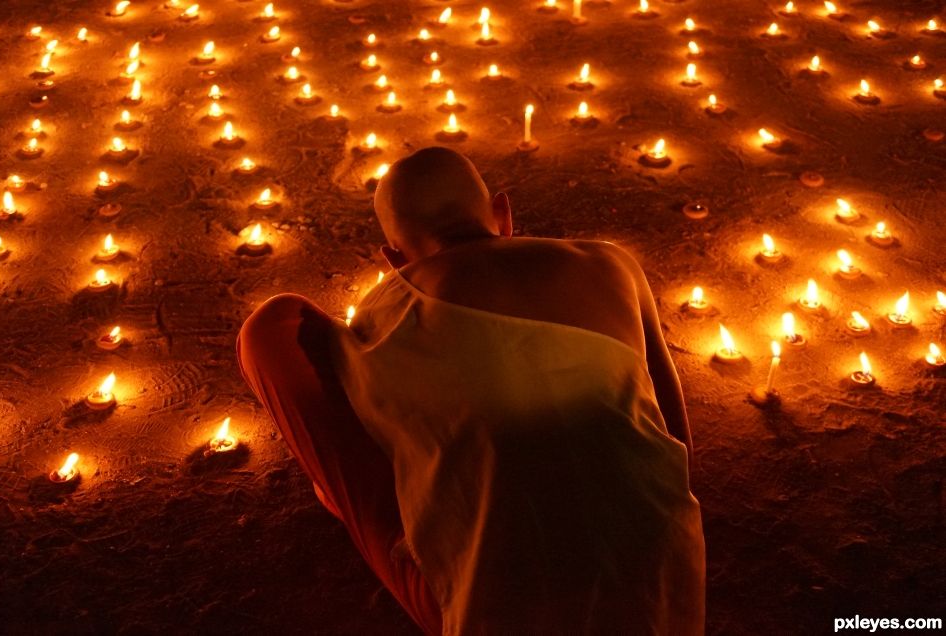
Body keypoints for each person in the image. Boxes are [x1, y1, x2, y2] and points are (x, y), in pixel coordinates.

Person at [237, 147, 705, 635]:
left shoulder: (386, 315)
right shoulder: (612, 263)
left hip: (504, 610)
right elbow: (679, 443)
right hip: (661, 585)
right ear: (503, 215)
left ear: (394, 258)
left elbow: (387, 437)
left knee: (270, 330)